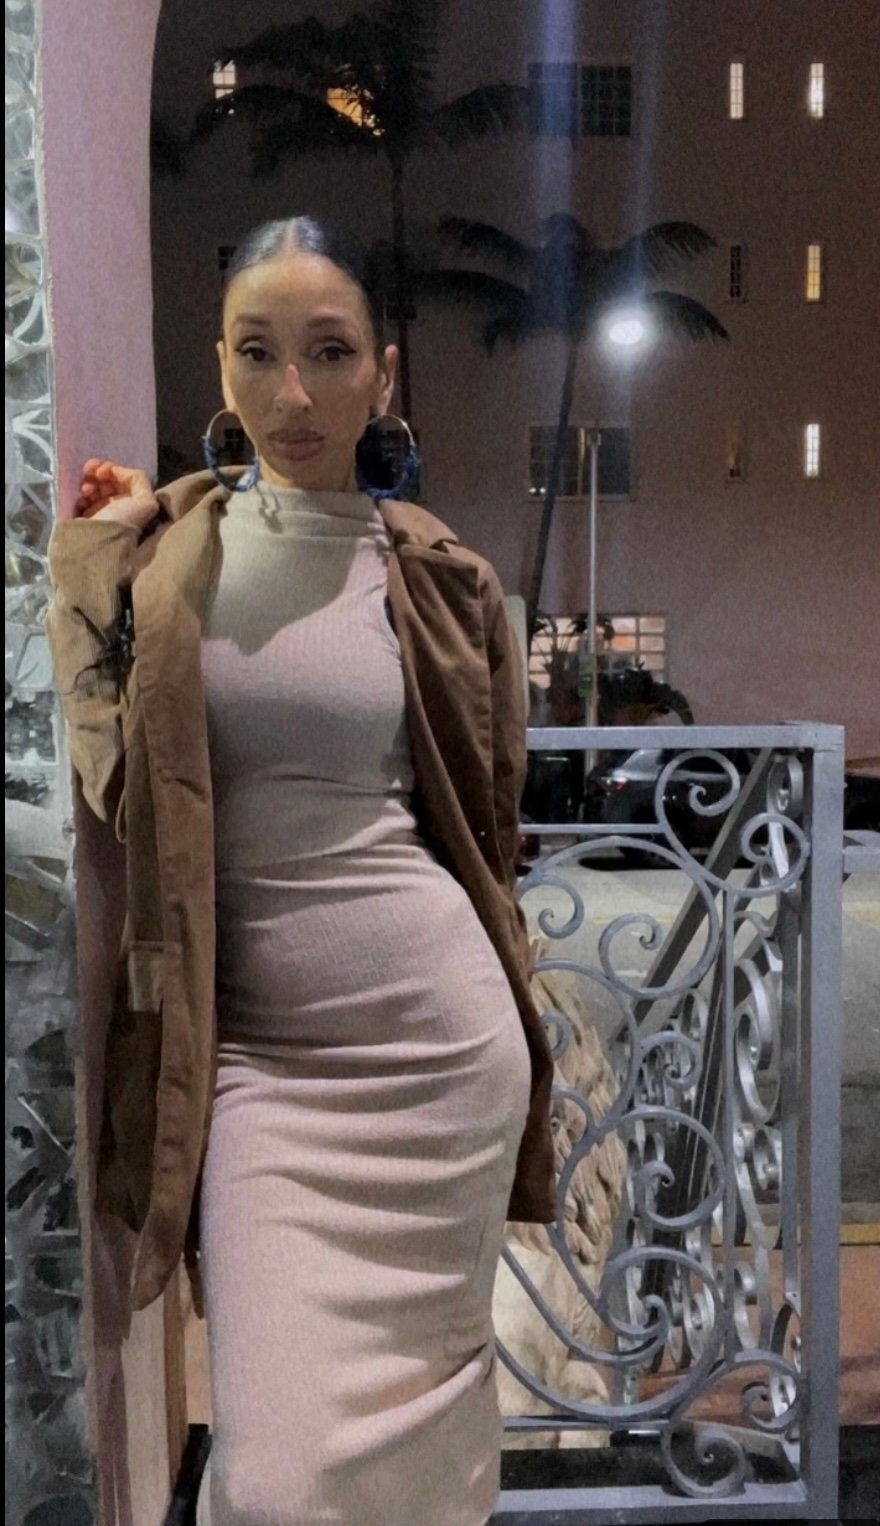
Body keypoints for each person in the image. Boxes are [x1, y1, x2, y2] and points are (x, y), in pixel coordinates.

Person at [45, 216, 556, 1526]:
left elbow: (486, 812)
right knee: (275, 1479)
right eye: (258, 351)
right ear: (220, 365)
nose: (293, 392)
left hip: (437, 1057)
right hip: (260, 1069)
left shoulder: (435, 578)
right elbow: (117, 782)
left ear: (381, 372)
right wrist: (96, 552)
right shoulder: (172, 561)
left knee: (424, 1457)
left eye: (328, 353)